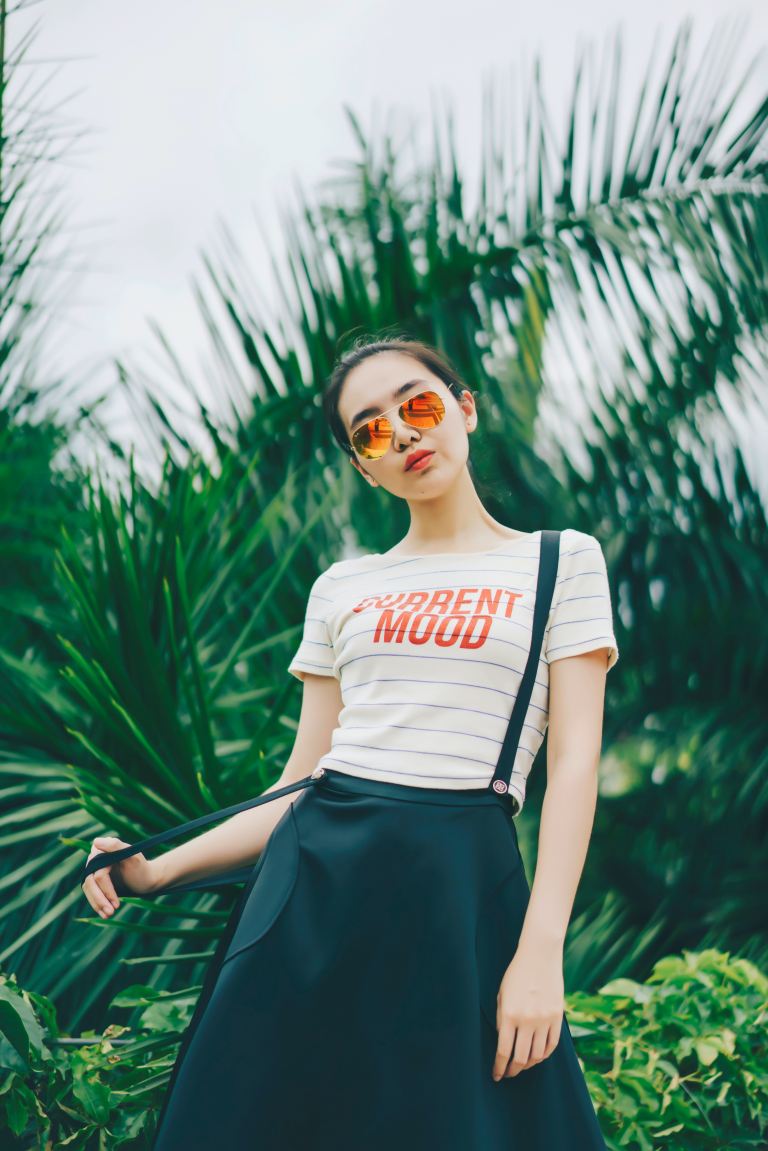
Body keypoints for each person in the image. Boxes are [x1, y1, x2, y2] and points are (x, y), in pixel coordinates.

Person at [81, 335, 619, 1149]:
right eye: (369, 430)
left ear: (463, 408)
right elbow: (300, 785)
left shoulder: (559, 562)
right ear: (363, 466)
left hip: (459, 894)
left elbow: (575, 766)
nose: (402, 433)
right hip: (313, 896)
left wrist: (542, 954)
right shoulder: (344, 586)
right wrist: (155, 869)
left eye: (419, 404)